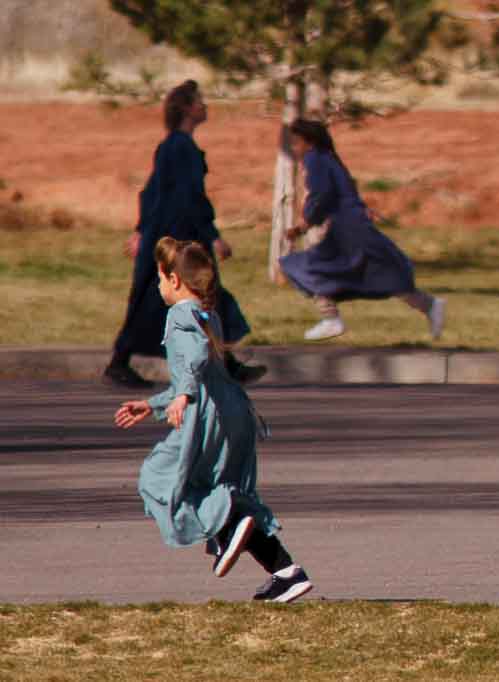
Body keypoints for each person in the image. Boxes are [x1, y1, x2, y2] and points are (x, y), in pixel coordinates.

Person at [114, 238, 313, 603]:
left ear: (174, 280)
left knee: (158, 477)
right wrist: (155, 403)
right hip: (235, 413)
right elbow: (205, 371)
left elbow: (195, 357)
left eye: (159, 279)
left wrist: (183, 395)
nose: (159, 287)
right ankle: (286, 572)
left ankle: (227, 525)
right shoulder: (209, 316)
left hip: (208, 417)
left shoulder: (180, 315)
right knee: (227, 494)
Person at [105, 79, 263, 389]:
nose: (205, 105)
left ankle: (227, 364)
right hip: (179, 239)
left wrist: (142, 230)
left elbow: (151, 192)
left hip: (166, 237)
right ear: (188, 110)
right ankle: (119, 363)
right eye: (200, 101)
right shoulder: (180, 148)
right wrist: (212, 235)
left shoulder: (172, 146)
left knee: (189, 302)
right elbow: (188, 197)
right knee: (198, 298)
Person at [278, 120, 446, 342]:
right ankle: (430, 305)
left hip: (347, 229)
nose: (294, 149)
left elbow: (321, 194)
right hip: (355, 226)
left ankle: (331, 320)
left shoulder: (315, 159)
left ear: (309, 142)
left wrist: (303, 224)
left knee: (302, 266)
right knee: (385, 273)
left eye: (296, 143)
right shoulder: (329, 158)